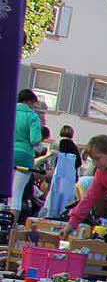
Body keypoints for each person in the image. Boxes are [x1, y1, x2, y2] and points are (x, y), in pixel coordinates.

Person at [11, 90, 43, 223]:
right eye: (33, 104)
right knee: (16, 194)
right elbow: (35, 140)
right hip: (25, 156)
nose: (33, 107)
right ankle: (10, 227)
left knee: (4, 192)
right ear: (29, 101)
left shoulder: (9, 111)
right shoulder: (33, 116)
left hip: (7, 154)